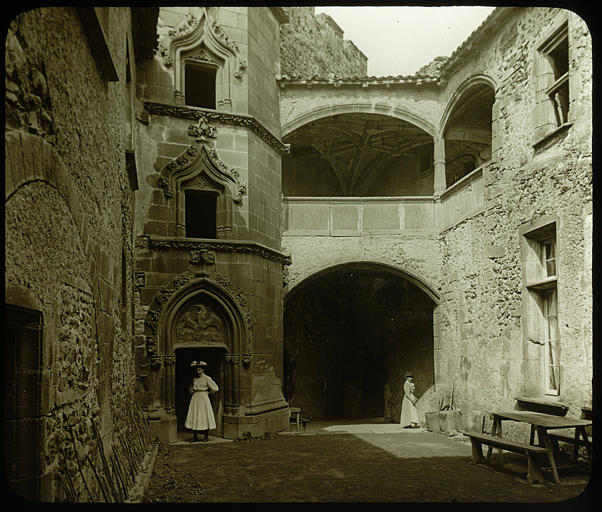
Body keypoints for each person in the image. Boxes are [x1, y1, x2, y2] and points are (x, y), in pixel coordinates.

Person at [185, 361, 219, 442]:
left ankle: (206, 436)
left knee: (204, 416)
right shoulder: (195, 379)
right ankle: (195, 436)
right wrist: (191, 389)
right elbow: (191, 389)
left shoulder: (207, 378)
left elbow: (216, 388)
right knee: (194, 415)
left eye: (199, 370)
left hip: (203, 398)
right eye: (197, 370)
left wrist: (208, 392)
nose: (198, 372)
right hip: (195, 398)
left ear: (203, 370)